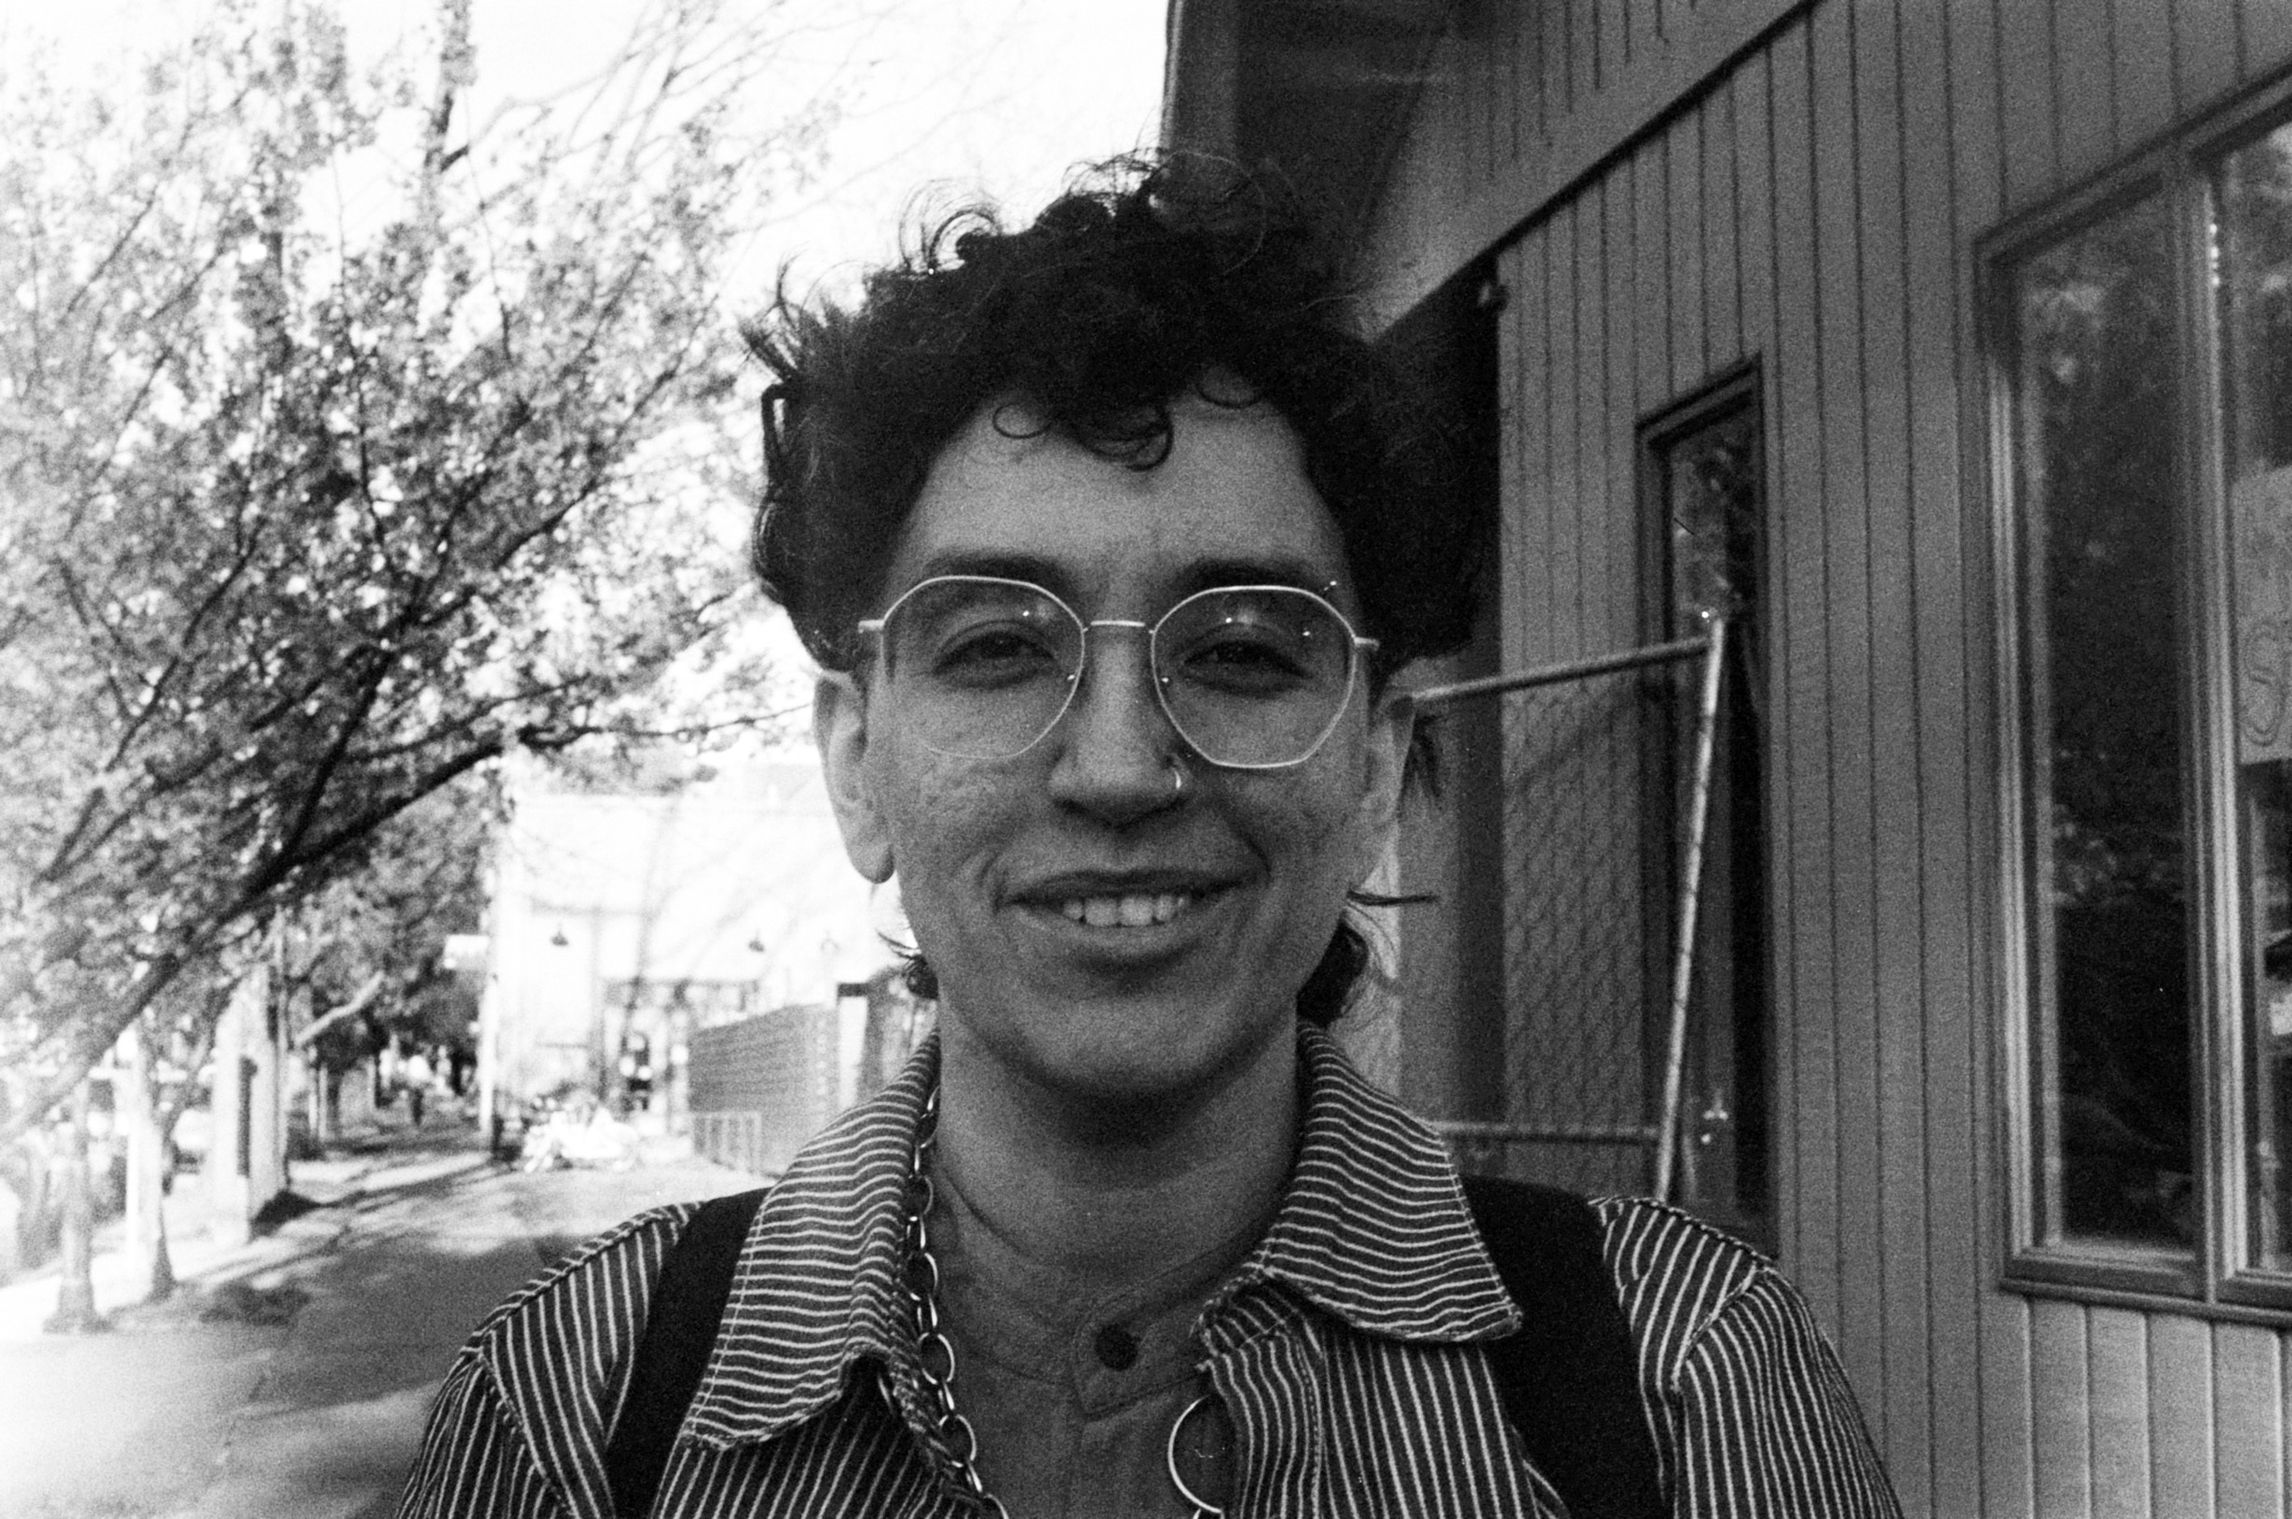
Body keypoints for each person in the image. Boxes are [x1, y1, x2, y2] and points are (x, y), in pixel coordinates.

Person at [398, 158, 1902, 1518]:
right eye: (995, 646)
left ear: (1375, 764)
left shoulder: (1680, 1398)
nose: (1120, 765)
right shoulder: (580, 1416)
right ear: (858, 765)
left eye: (1243, 649)